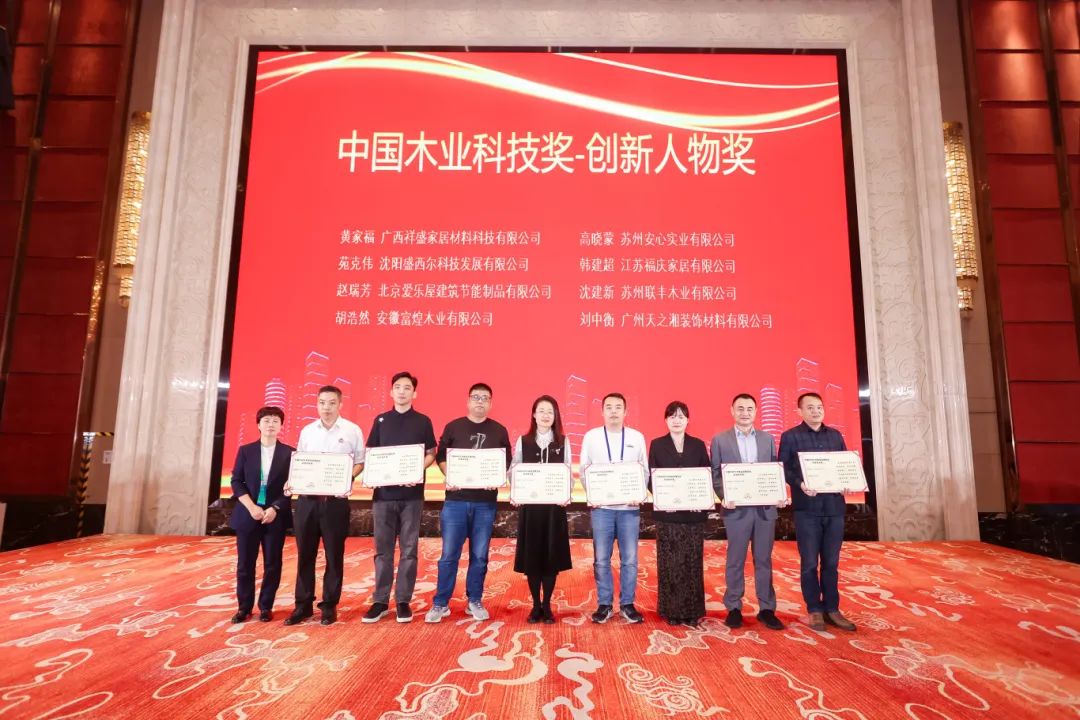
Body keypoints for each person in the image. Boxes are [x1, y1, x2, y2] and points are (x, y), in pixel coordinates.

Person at [425, 383, 512, 623]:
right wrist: (450, 476)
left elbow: (505, 461)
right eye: (476, 397)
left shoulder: (499, 430)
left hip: (485, 503)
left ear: (491, 403)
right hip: (456, 501)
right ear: (468, 401)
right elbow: (442, 457)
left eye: (485, 398)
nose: (480, 401)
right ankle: (441, 603)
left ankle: (474, 600)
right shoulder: (453, 426)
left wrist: (496, 478)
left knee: (480, 555)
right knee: (448, 555)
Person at [285, 385, 365, 626]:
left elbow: (360, 462)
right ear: (317, 404)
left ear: (340, 404)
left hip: (335, 503)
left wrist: (346, 477)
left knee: (334, 554)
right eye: (322, 402)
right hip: (307, 503)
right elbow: (300, 462)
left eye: (331, 403)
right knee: (305, 555)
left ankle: (329, 605)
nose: (326, 407)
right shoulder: (308, 431)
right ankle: (303, 605)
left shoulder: (352, 430)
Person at [362, 371, 437, 624]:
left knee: (409, 550)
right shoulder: (381, 420)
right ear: (391, 392)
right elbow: (372, 453)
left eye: (407, 387)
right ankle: (380, 601)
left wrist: (416, 470)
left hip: (412, 496)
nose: (402, 391)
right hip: (383, 496)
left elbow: (431, 453)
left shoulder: (423, 421)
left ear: (415, 393)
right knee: (382, 551)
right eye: (398, 387)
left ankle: (403, 601)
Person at [779, 392, 857, 633]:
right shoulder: (790, 436)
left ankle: (832, 608)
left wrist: (847, 482)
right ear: (800, 411)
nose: (816, 411)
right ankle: (814, 608)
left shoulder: (835, 435)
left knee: (832, 562)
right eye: (810, 407)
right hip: (807, 509)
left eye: (819, 407)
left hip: (834, 508)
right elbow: (784, 468)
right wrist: (800, 484)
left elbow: (845, 465)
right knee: (810, 562)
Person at [710, 393, 786, 631]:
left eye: (749, 408)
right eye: (740, 408)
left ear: (756, 412)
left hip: (764, 509)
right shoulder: (720, 440)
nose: (745, 413)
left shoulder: (767, 439)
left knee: (763, 559)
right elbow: (715, 474)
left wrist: (778, 492)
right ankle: (733, 607)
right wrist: (725, 496)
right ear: (732, 411)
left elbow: (773, 470)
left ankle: (767, 608)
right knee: (735, 559)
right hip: (736, 510)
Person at [579, 392, 648, 624]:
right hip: (602, 509)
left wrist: (639, 493)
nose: (613, 411)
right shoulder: (591, 437)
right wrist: (594, 495)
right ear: (602, 411)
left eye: (618, 407)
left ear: (625, 411)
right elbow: (584, 469)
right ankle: (605, 604)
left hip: (629, 508)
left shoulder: (637, 437)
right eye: (609, 407)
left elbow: (643, 470)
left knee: (630, 559)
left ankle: (628, 604)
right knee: (601, 559)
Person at [511, 395, 573, 624]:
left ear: (555, 416)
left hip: (554, 509)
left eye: (550, 411)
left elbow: (568, 472)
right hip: (531, 509)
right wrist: (516, 491)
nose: (546, 415)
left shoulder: (563, 442)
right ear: (534, 415)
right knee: (532, 558)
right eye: (542, 411)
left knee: (551, 558)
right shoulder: (523, 441)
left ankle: (547, 604)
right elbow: (514, 470)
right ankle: (535, 605)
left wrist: (566, 492)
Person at [229, 406, 294, 623]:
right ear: (258, 424)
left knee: (273, 564)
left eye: (275, 421)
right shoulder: (246, 451)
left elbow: (292, 486)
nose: (271, 424)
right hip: (249, 513)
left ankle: (266, 606)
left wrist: (275, 508)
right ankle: (244, 607)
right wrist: (251, 507)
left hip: (275, 516)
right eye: (266, 420)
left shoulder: (289, 453)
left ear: (281, 426)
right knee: (245, 564)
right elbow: (236, 481)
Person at [648, 401, 710, 627]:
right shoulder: (657, 444)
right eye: (672, 416)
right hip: (668, 514)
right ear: (666, 420)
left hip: (692, 515)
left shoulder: (698, 445)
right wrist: (664, 499)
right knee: (670, 563)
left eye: (681, 416)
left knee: (692, 563)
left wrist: (700, 499)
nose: (677, 420)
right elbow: (651, 478)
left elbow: (705, 475)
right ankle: (671, 610)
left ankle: (693, 611)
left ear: (688, 420)